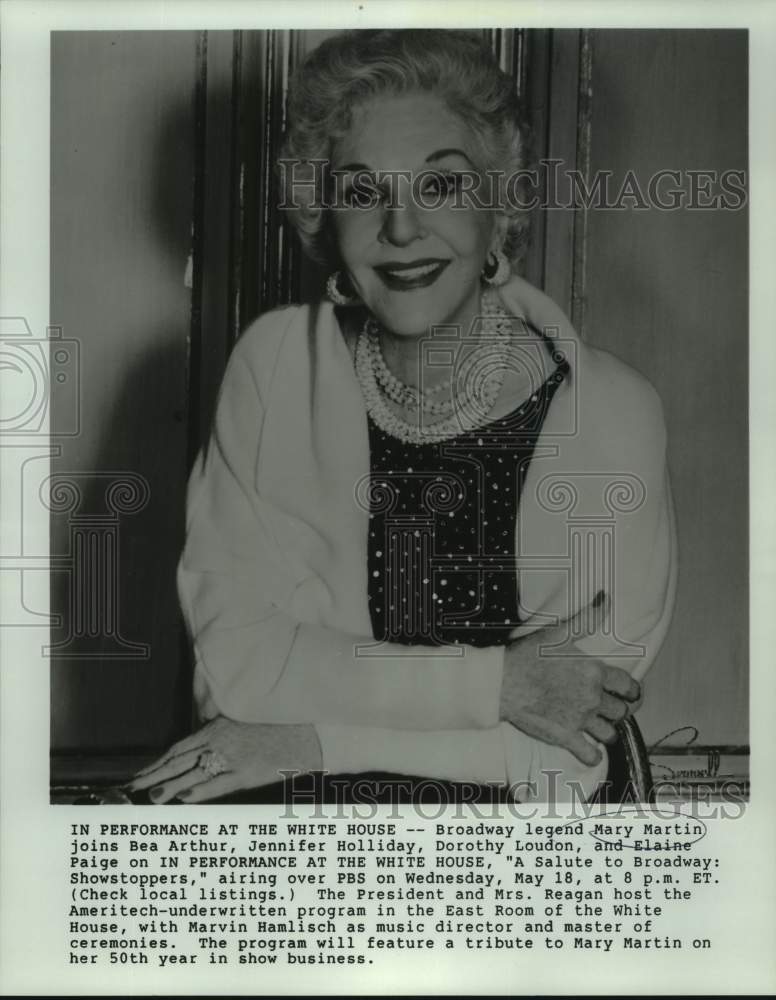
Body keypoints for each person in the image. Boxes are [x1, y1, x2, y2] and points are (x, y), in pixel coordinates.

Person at [130, 29, 677, 805]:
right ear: (324, 216)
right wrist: (498, 682)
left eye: (442, 187)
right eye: (361, 193)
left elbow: (568, 733)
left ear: (501, 206)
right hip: (293, 810)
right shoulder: (274, 368)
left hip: (530, 837)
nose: (399, 228)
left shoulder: (613, 411)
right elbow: (241, 673)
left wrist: (315, 737)